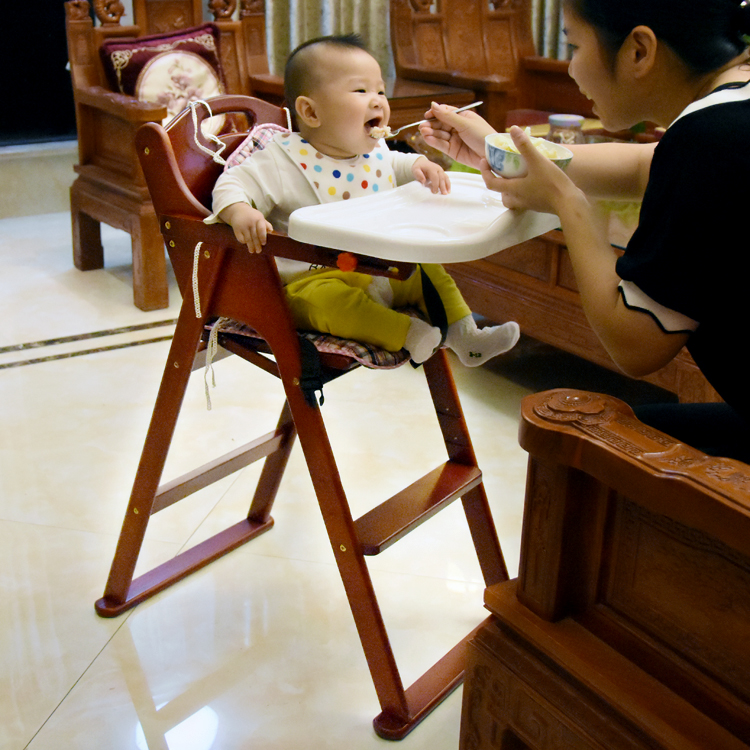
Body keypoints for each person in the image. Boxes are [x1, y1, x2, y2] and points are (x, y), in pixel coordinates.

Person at [420, 0, 750, 460]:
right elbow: (643, 168)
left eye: (573, 45)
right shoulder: (731, 112)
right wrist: (502, 147)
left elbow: (634, 344)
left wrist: (566, 204)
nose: (571, 67)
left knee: (567, 449)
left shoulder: (710, 141)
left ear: (639, 50)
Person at [207, 34, 519, 367]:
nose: (378, 101)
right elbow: (231, 183)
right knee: (327, 304)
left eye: (381, 91)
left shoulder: (374, 151)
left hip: (381, 268)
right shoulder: (280, 160)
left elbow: (393, 164)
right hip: (315, 278)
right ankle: (408, 333)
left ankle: (467, 336)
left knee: (430, 272)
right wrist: (240, 211)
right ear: (311, 112)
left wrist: (418, 165)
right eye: (361, 91)